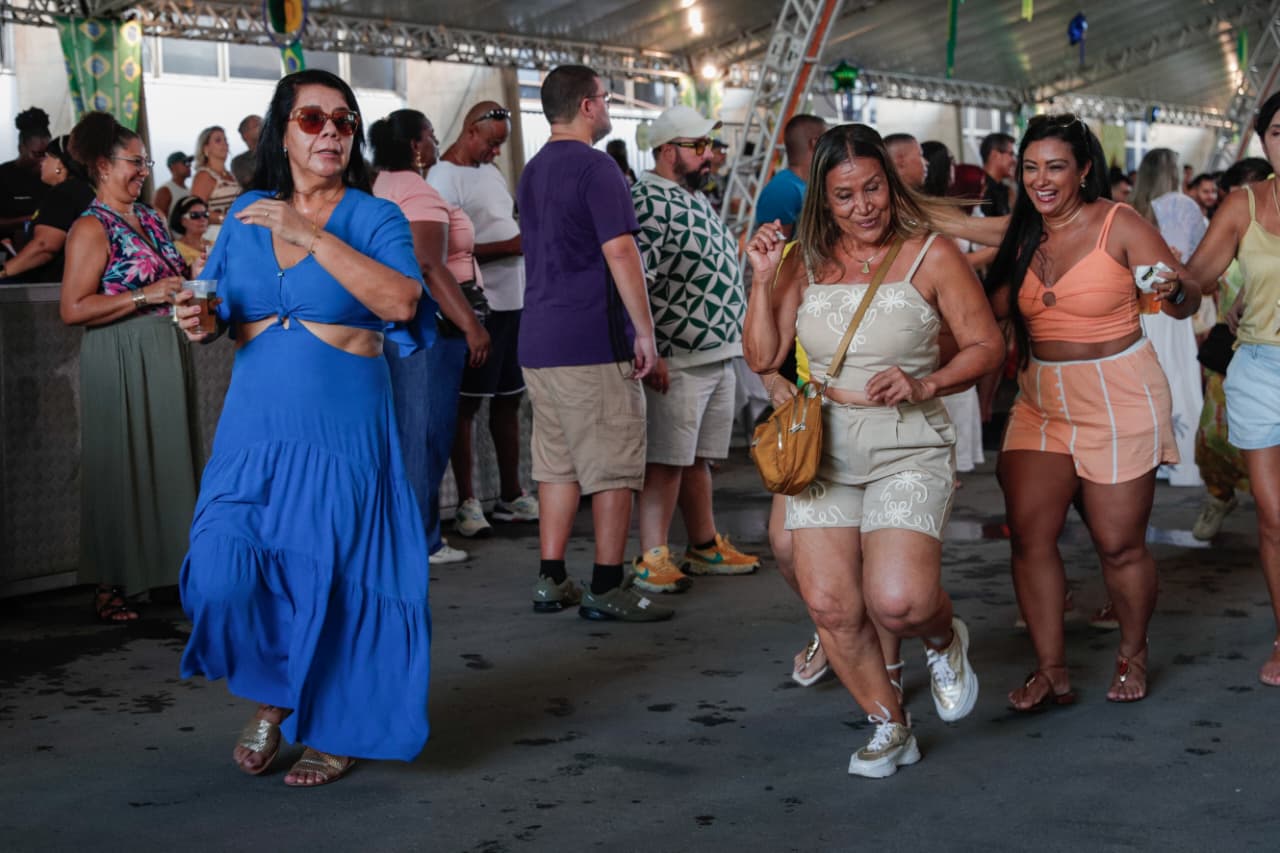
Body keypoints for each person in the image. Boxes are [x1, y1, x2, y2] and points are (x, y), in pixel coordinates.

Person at [176, 69, 429, 787]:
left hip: (342, 431)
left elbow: (403, 303)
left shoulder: (374, 216)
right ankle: (279, 689)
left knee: (331, 576)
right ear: (283, 127)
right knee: (220, 571)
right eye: (313, 119)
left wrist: (308, 234)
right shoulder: (249, 211)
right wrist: (201, 320)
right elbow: (218, 306)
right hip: (253, 429)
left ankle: (331, 723)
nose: (331, 132)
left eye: (344, 121)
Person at [744, 123, 1001, 777]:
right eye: (844, 195)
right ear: (822, 201)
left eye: (873, 188)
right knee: (829, 603)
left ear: (890, 184)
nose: (863, 206)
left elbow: (985, 345)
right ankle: (889, 722)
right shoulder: (803, 258)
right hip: (824, 443)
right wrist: (763, 280)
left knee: (900, 600)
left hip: (908, 440)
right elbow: (763, 356)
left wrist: (927, 381)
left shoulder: (931, 253)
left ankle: (944, 637)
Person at [953, 114, 1199, 709]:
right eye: (1030, 167)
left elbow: (1186, 295)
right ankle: (1051, 669)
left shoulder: (1120, 223)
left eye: (1055, 166)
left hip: (1119, 395)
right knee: (1029, 535)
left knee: (1118, 545)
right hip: (1042, 399)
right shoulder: (1022, 233)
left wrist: (1172, 291)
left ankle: (1132, 653)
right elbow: (956, 226)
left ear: (1084, 170)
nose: (1040, 179)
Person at [518, 64, 669, 622]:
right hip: (590, 341)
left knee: (555, 465)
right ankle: (607, 585)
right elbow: (621, 253)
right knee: (613, 466)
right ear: (587, 105)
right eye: (605, 99)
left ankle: (551, 577)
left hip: (539, 341)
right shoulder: (597, 168)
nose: (607, 109)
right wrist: (645, 332)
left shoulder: (532, 170)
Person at [58, 111, 200, 623]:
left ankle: (166, 572)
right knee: (120, 465)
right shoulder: (91, 227)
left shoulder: (153, 219)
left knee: (168, 458)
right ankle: (111, 583)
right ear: (102, 165)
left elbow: (172, 278)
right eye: (134, 162)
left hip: (164, 347)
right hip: (118, 354)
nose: (144, 170)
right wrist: (143, 295)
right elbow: (73, 308)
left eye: (146, 161)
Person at [630, 105, 757, 594]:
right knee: (665, 461)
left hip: (714, 351)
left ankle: (702, 545)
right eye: (699, 146)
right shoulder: (648, 200)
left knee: (698, 458)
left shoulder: (687, 195)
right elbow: (637, 280)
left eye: (710, 146)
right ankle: (651, 555)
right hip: (678, 356)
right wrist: (652, 348)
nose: (710, 156)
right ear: (667, 151)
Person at [1181, 91, 1280, 685]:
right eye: (1278, 131)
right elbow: (1197, 277)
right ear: (1262, 138)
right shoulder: (1244, 204)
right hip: (1260, 372)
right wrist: (1172, 291)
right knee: (1274, 518)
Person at [370, 108, 492, 566]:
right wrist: (471, 325)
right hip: (427, 328)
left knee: (404, 432)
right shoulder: (416, 193)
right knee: (426, 433)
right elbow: (428, 265)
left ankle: (404, 535)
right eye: (433, 136)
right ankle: (422, 539)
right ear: (417, 146)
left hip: (392, 328)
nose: (437, 144)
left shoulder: (378, 186)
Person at [429, 101, 539, 539]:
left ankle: (511, 494)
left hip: (514, 298)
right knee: (467, 404)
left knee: (510, 398)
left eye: (500, 146)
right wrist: (509, 248)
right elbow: (439, 252)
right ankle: (468, 501)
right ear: (470, 131)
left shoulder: (489, 172)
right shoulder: (442, 178)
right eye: (492, 144)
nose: (495, 153)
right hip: (477, 302)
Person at [1190, 157, 1271, 541]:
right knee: (1214, 437)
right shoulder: (1226, 233)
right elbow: (1195, 283)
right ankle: (1220, 496)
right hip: (1227, 350)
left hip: (1266, 349)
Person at [1130, 148, 1206, 488]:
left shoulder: (1129, 211)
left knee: (1142, 381)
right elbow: (1197, 262)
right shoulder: (1184, 207)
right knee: (1176, 375)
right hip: (1173, 306)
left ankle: (1143, 457)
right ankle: (1180, 457)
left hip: (1140, 310)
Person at [0, 134, 94, 283]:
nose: (41, 163)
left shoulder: (63, 193)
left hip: (51, 289)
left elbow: (44, 246)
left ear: (60, 165)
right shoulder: (85, 190)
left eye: (46, 157)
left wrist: (4, 271)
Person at [754, 114, 826, 238]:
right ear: (814, 143)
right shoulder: (782, 190)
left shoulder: (803, 185)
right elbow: (776, 252)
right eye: (827, 140)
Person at [0, 107, 51, 241]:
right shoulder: (3, 176)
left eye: (48, 155)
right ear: (21, 147)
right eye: (37, 154)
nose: (43, 160)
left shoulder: (51, 178)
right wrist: (29, 219)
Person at [189, 125, 241, 241]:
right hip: (216, 236)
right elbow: (196, 210)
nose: (225, 144)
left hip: (236, 232)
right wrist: (223, 218)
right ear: (206, 148)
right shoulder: (204, 176)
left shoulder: (231, 175)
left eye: (225, 140)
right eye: (218, 140)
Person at [979, 131, 1016, 217]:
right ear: (995, 155)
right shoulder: (980, 189)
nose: (1014, 160)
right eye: (1011, 154)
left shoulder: (1005, 190)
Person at [168, 195, 211, 267]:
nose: (202, 219)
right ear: (182, 221)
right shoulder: (174, 250)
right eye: (195, 215)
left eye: (205, 214)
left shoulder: (215, 244)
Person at [153, 151, 193, 217]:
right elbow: (157, 220)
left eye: (189, 163)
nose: (189, 165)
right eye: (185, 162)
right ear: (172, 167)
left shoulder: (190, 190)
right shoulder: (164, 191)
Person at [231, 114, 262, 190]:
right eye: (257, 125)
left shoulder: (280, 151)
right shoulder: (240, 161)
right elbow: (251, 184)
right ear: (245, 135)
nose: (263, 127)